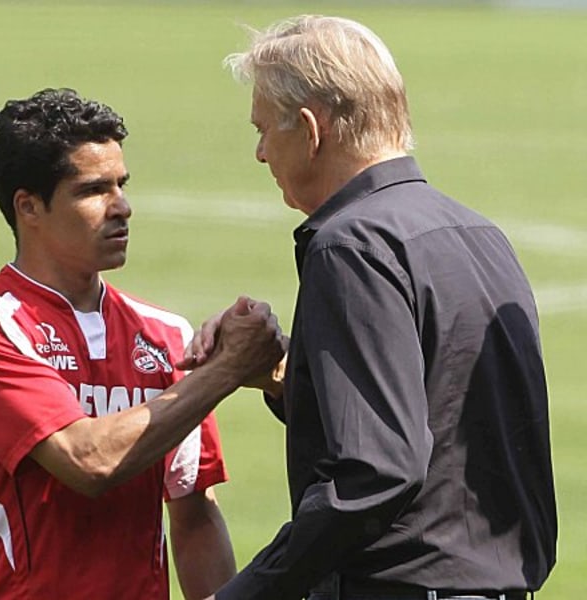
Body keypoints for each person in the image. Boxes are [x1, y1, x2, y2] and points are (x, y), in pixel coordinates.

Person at [182, 15, 557, 600]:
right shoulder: (478, 233)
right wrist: (290, 380)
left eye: (262, 130)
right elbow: (443, 418)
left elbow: (376, 472)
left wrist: (247, 593)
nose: (259, 153)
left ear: (310, 129)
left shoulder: (351, 245)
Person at [0, 88, 285, 600]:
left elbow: (193, 514)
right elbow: (87, 461)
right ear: (29, 206)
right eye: (93, 190)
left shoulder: (165, 336)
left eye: (122, 184)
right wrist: (225, 371)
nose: (123, 207)